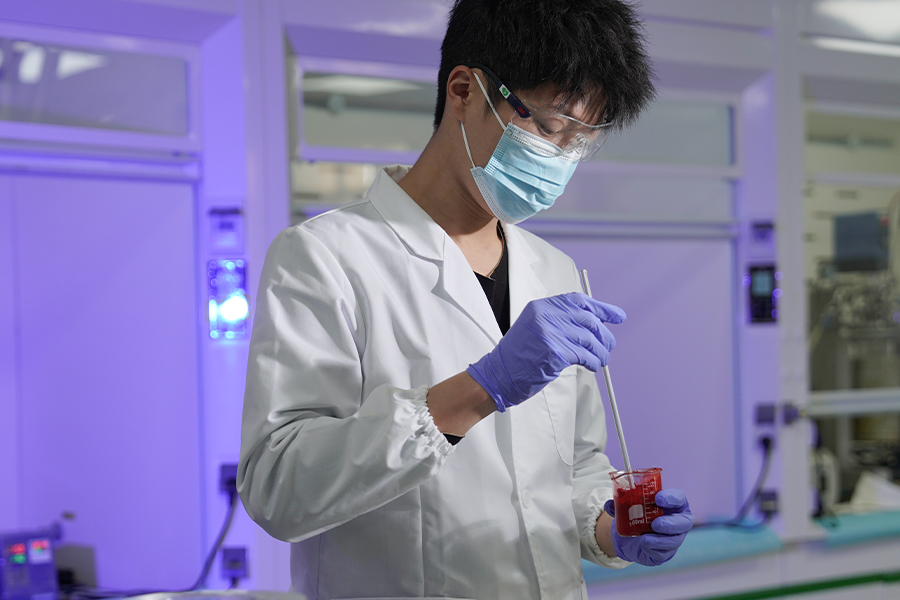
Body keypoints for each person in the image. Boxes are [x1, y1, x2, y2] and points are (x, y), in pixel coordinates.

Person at [238, 1, 693, 598]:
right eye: (549, 127)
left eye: (581, 141)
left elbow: (576, 467)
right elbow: (277, 488)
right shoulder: (325, 258)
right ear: (464, 91)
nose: (560, 159)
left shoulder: (555, 272)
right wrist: (481, 388)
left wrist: (612, 528)